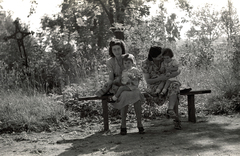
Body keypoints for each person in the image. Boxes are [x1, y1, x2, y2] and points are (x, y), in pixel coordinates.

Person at [95, 39, 145, 135]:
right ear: (111, 51)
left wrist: (134, 82)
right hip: (118, 85)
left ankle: (139, 123)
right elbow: (111, 78)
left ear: (122, 49)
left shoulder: (129, 57)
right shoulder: (110, 61)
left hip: (132, 84)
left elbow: (136, 71)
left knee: (136, 94)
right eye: (114, 50)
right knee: (124, 94)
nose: (117, 51)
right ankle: (123, 124)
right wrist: (106, 87)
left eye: (119, 49)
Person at [141, 46, 182, 129]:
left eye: (162, 56)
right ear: (153, 57)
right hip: (154, 86)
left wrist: (174, 73)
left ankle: (171, 111)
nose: (162, 58)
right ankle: (176, 118)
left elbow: (176, 69)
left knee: (174, 86)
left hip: (167, 82)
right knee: (173, 90)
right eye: (159, 56)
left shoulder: (164, 60)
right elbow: (148, 81)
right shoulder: (146, 63)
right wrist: (160, 78)